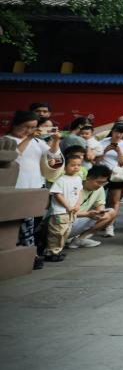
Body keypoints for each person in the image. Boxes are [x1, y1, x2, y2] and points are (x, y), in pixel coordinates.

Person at [7, 110, 47, 268]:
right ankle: (31, 256)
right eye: (26, 127)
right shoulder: (6, 140)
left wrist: (56, 141)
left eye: (33, 127)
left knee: (30, 224)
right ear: (15, 125)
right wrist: (29, 138)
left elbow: (52, 156)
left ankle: (28, 254)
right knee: (23, 225)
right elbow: (14, 155)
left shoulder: (37, 142)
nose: (29, 130)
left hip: (35, 188)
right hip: (16, 189)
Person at [43, 145, 85, 262]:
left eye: (78, 165)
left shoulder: (78, 179)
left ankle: (58, 250)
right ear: (65, 167)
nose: (76, 167)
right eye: (73, 165)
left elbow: (80, 192)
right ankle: (51, 252)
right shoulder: (61, 180)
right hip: (60, 212)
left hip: (71, 211)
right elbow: (58, 194)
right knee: (57, 232)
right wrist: (68, 206)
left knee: (65, 232)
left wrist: (77, 205)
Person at [96, 121, 123, 238]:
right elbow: (96, 161)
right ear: (112, 131)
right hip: (101, 174)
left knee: (115, 201)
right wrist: (105, 150)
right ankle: (98, 223)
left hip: (117, 174)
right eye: (116, 132)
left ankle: (110, 226)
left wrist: (119, 151)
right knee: (98, 200)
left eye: (121, 133)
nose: (118, 135)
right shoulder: (102, 142)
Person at [66, 165, 116, 248]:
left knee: (111, 212)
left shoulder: (100, 189)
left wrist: (100, 213)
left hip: (79, 221)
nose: (100, 185)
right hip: (65, 222)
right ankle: (66, 238)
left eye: (104, 182)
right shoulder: (75, 187)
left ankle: (79, 240)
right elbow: (65, 212)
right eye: (98, 182)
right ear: (88, 178)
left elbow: (100, 206)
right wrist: (88, 214)